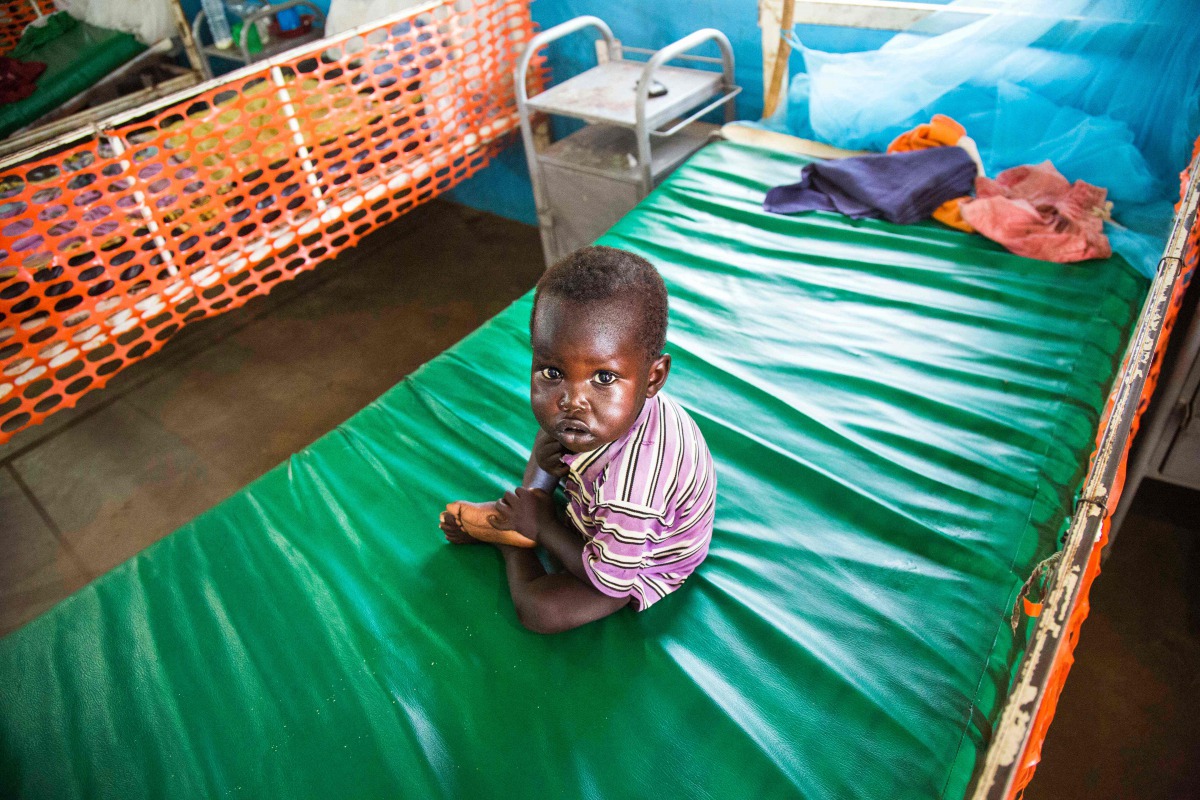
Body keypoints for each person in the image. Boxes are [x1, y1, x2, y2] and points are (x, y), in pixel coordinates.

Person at [439, 245, 716, 633]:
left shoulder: (632, 491)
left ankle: (514, 540)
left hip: (637, 560)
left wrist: (545, 527)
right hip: (603, 496)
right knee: (556, 427)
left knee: (541, 612)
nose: (573, 399)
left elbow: (610, 580)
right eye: (552, 371)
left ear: (653, 378)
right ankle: (528, 504)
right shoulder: (597, 416)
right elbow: (569, 411)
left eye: (603, 377)